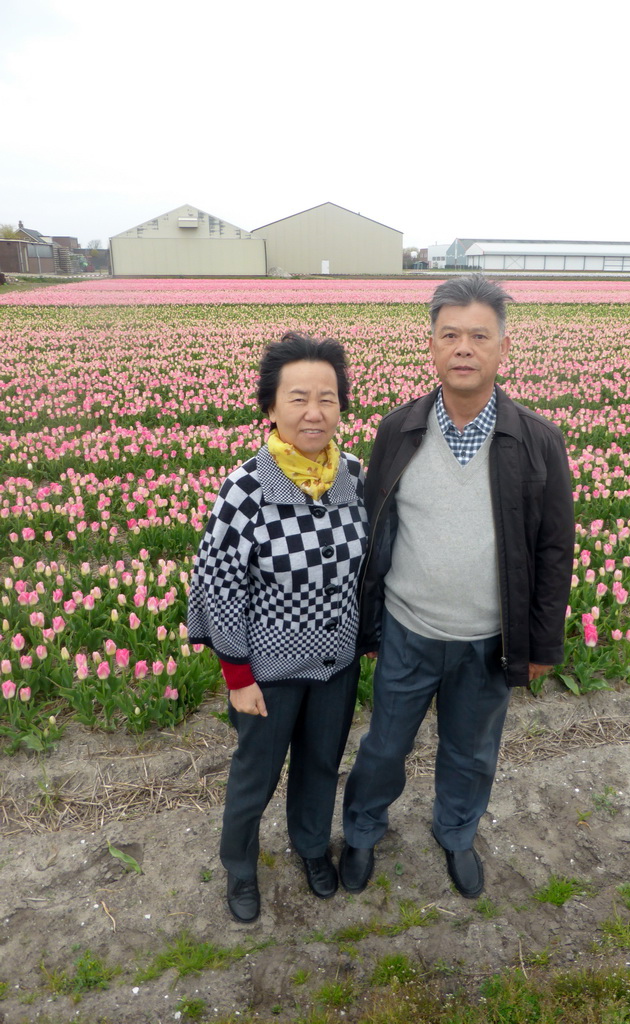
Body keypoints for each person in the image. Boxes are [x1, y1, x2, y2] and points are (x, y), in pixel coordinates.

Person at [340, 275, 574, 899]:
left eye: (479, 335)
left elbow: (554, 549)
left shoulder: (537, 442)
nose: (463, 348)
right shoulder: (399, 430)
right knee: (385, 745)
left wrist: (543, 644)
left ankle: (456, 833)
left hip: (488, 641)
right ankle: (362, 831)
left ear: (502, 347)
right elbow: (374, 525)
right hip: (409, 631)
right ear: (432, 347)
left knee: (470, 753)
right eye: (451, 336)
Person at [187, 332, 368, 923]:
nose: (314, 412)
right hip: (266, 674)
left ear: (342, 405)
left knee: (321, 765)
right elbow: (218, 584)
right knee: (254, 776)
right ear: (271, 408)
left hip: (334, 666)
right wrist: (237, 675)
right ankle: (240, 868)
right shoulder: (246, 490)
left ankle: (312, 848)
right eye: (297, 398)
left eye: (327, 397)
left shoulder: (355, 480)